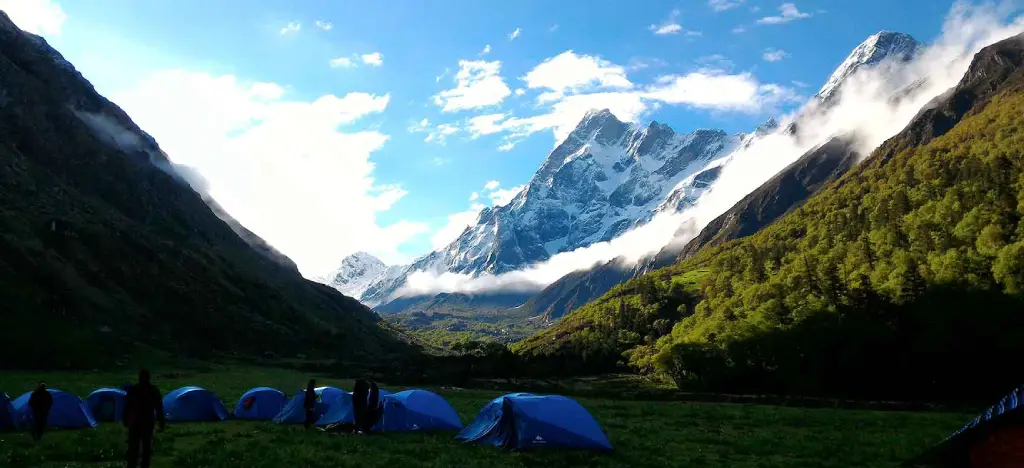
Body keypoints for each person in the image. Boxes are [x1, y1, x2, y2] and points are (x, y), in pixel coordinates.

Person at [123, 369, 165, 468]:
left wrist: (125, 419)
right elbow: (159, 408)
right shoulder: (153, 390)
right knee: (145, 448)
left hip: (135, 422)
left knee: (134, 448)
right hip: (146, 422)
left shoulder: (134, 389)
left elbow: (127, 406)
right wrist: (161, 422)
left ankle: (132, 465)